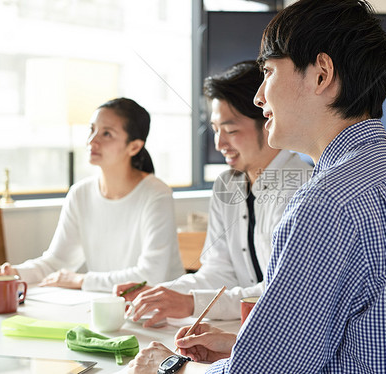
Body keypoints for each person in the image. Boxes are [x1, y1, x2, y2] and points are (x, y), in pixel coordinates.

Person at [127, 0, 386, 372]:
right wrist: (243, 346)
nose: (259, 96)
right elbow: (374, 339)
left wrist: (172, 367)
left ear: (321, 74)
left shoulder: (327, 203)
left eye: (268, 72)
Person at [115, 61, 312, 326]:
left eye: (230, 130)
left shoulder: (303, 187)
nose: (219, 144)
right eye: (216, 130)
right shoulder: (226, 185)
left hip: (288, 330)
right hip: (237, 326)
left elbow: (283, 291)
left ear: (268, 121)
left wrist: (190, 302)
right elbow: (219, 272)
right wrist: (162, 293)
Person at [0, 98, 184, 292]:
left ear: (134, 147)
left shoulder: (156, 194)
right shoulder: (80, 193)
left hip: (162, 312)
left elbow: (150, 276)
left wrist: (81, 281)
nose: (92, 141)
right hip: (109, 307)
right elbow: (56, 263)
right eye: (92, 130)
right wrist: (14, 272)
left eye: (107, 134)